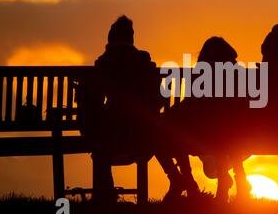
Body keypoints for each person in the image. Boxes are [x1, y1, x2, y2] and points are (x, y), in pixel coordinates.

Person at [86, 15, 196, 203]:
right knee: (157, 130)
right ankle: (178, 178)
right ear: (131, 38)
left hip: (112, 135)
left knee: (99, 142)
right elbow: (160, 98)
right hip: (145, 136)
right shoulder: (144, 61)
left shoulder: (104, 63)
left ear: (111, 39)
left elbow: (94, 100)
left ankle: (106, 192)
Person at [166, 37, 251, 202]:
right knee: (226, 133)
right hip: (232, 134)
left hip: (207, 135)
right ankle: (237, 179)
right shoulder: (237, 74)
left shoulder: (201, 74)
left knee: (175, 133)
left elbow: (191, 105)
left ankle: (188, 181)